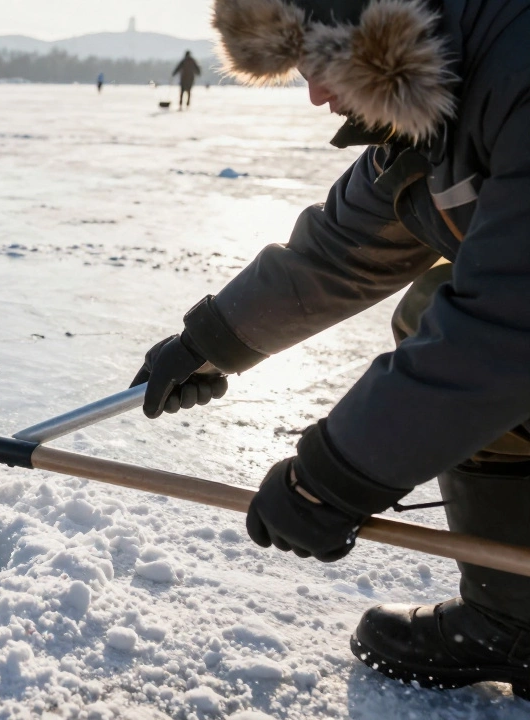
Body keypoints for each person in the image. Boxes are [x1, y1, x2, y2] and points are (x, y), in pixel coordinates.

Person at [132, 0, 530, 697]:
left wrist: (338, 472)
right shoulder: (447, 97)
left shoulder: (518, 72)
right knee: (428, 308)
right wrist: (209, 341)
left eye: (317, 61)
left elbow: (511, 321)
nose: (314, 93)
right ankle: (516, 615)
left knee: (452, 320)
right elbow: (343, 248)